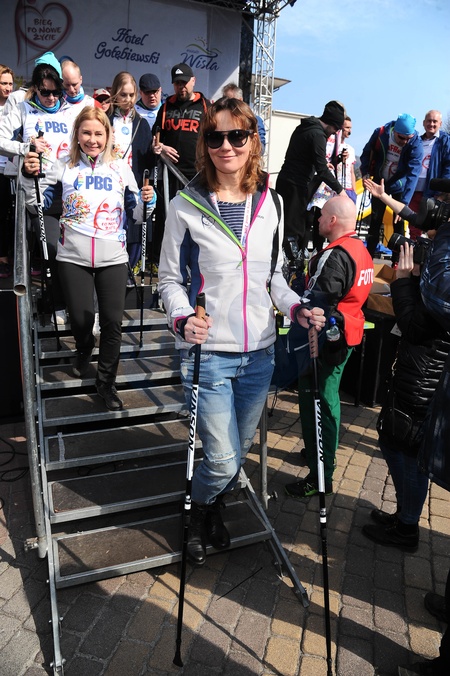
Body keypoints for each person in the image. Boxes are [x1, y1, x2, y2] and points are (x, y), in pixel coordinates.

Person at [158, 97, 326, 566]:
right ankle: (194, 513)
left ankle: (211, 507)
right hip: (208, 354)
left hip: (260, 356)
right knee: (222, 459)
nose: (226, 145)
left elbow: (274, 278)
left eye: (237, 135)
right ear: (204, 144)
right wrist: (181, 317)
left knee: (236, 453)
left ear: (253, 140)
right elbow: (168, 280)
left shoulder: (272, 202)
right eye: (215, 136)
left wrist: (296, 307)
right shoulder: (184, 206)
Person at [21, 107, 155, 410]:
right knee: (81, 319)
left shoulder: (120, 168)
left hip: (113, 256)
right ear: (77, 135)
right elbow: (37, 204)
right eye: (86, 133)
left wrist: (149, 202)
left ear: (107, 135)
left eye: (98, 133)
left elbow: (137, 213)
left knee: (112, 322)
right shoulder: (63, 166)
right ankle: (84, 348)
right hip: (73, 256)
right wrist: (30, 178)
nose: (92, 140)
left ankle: (106, 383)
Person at [359, 240, 450, 551]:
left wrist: (402, 282)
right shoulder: (436, 286)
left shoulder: (441, 292)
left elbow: (413, 326)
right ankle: (404, 515)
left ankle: (407, 527)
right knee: (393, 441)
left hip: (424, 380)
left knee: (408, 453)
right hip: (418, 375)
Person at [284, 195, 374, 499]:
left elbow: (316, 303)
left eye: (322, 215)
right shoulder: (360, 249)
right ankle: (318, 455)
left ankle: (321, 475)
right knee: (325, 399)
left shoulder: (335, 255)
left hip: (326, 339)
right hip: (348, 332)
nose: (318, 219)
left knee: (317, 403)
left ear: (333, 220)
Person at [0, 60, 73, 322]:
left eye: (56, 92)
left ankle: (81, 307)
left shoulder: (69, 111)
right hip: (41, 192)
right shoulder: (23, 109)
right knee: (52, 250)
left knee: (76, 251)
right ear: (35, 89)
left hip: (71, 191)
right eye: (45, 92)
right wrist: (26, 147)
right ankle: (57, 305)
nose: (51, 97)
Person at [275, 100, 346, 264]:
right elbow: (322, 170)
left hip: (286, 181)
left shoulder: (305, 128)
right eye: (335, 129)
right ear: (332, 124)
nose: (334, 133)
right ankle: (292, 267)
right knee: (294, 230)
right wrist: (340, 190)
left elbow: (304, 156)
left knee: (287, 225)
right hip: (296, 185)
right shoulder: (317, 135)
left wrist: (320, 164)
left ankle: (287, 263)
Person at [107, 71, 153, 275]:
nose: (128, 100)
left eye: (132, 95)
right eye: (123, 95)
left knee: (135, 228)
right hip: (109, 183)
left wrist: (155, 152)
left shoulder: (141, 123)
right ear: (115, 94)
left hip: (133, 184)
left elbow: (147, 160)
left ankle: (128, 273)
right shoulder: (105, 120)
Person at [360, 113, 423, 257]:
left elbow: (414, 174)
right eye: (401, 138)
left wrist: (404, 204)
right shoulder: (381, 133)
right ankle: (368, 258)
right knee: (375, 222)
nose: (404, 142)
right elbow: (366, 152)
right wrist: (365, 173)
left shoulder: (416, 143)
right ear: (394, 131)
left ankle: (396, 261)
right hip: (379, 183)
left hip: (399, 185)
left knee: (398, 224)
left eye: (408, 138)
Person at [152, 62, 210, 196]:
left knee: (196, 209)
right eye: (177, 83)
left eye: (184, 82)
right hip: (171, 172)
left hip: (198, 173)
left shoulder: (205, 106)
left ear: (193, 81)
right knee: (171, 208)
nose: (181, 87)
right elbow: (154, 137)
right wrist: (161, 147)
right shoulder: (166, 107)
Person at [408, 110, 450, 240]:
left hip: (434, 192)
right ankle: (413, 250)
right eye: (429, 121)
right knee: (414, 225)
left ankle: (432, 252)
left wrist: (442, 192)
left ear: (440, 123)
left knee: (433, 228)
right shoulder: (416, 141)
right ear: (423, 123)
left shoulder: (445, 140)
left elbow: (448, 166)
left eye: (435, 121)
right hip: (415, 190)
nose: (431, 124)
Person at [221, 82, 266, 153]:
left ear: (240, 100)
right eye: (224, 100)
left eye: (231, 100)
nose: (226, 103)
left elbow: (260, 148)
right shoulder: (218, 120)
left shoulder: (254, 119)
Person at [0, 64, 14, 278]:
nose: (8, 88)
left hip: (9, 170)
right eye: (3, 83)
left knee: (6, 216)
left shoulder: (15, 107)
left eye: (11, 83)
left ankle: (5, 257)